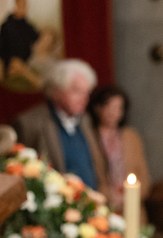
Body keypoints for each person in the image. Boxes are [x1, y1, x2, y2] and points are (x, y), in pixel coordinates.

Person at [13, 59, 110, 197]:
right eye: (76, 91)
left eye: (87, 92)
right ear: (56, 91)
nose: (84, 98)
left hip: (90, 201)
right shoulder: (29, 123)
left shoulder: (85, 120)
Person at [88, 85, 151, 215]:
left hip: (132, 207)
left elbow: (144, 176)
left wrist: (131, 195)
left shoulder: (131, 137)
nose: (114, 113)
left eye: (118, 108)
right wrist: (109, 195)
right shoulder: (89, 137)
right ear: (98, 108)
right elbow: (90, 176)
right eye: (109, 107)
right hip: (103, 208)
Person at [0, 0, 38, 70]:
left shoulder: (29, 27)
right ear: (16, 5)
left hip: (26, 64)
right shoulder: (6, 26)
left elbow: (37, 41)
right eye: (20, 5)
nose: (23, 8)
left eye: (24, 5)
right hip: (9, 65)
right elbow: (2, 47)